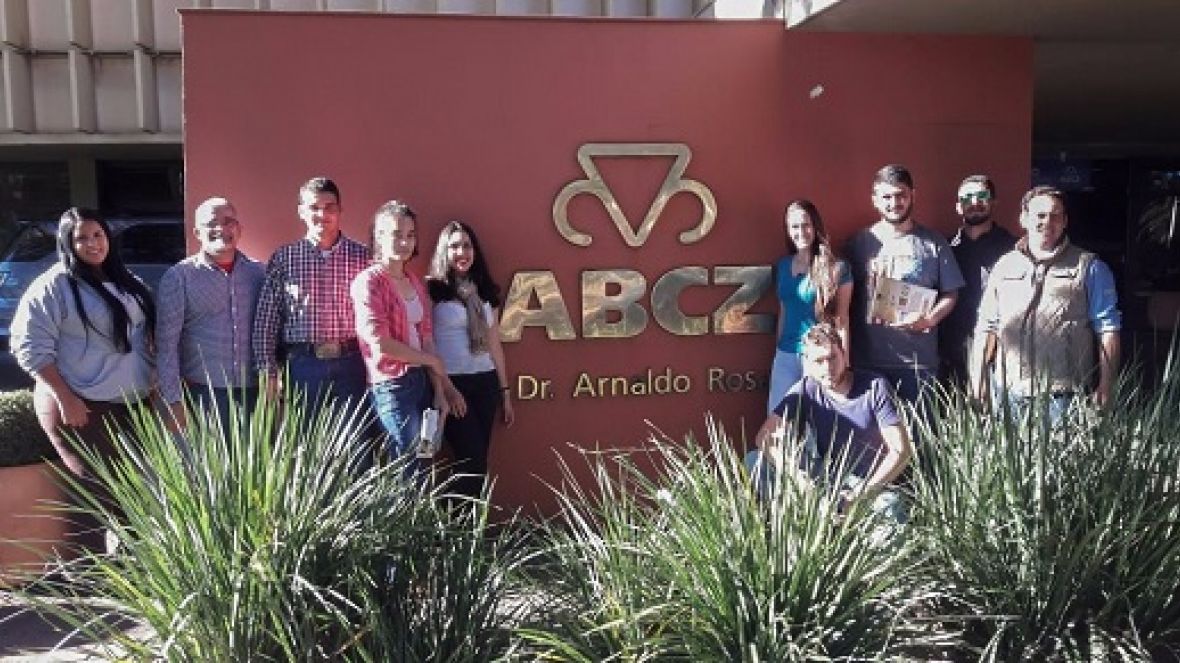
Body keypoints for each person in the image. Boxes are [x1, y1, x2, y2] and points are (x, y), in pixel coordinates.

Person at [10, 207, 156, 554]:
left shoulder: (126, 281)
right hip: (80, 406)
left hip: (129, 405)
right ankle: (85, 576)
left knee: (132, 494)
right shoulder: (55, 286)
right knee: (95, 496)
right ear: (67, 243)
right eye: (81, 238)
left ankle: (128, 571)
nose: (92, 244)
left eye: (98, 235)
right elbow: (28, 345)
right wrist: (65, 397)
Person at [973, 185, 1122, 419]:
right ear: (1024, 219)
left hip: (1064, 396)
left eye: (1055, 215)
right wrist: (979, 380)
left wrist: (1106, 386)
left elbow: (1108, 330)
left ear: (1065, 221)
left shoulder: (1090, 267)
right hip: (1008, 392)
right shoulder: (1004, 267)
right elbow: (987, 327)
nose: (1047, 222)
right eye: (1040, 215)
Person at [751, 322, 913, 522]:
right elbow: (764, 437)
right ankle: (777, 526)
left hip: (872, 481)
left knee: (891, 508)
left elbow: (901, 451)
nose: (828, 367)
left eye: (832, 357)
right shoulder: (807, 388)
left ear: (844, 355)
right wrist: (798, 477)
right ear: (807, 363)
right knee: (755, 460)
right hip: (829, 476)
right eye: (819, 361)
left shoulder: (875, 387)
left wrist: (862, 495)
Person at [845, 164, 965, 404]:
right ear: (875, 200)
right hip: (868, 364)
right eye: (887, 197)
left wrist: (929, 320)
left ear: (913, 195)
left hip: (918, 365)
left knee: (919, 429)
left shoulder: (934, 243)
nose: (894, 203)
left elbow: (951, 293)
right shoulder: (859, 243)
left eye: (901, 195)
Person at [351, 201, 456, 474]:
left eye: (410, 235)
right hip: (392, 387)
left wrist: (440, 390)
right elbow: (380, 343)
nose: (405, 243)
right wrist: (431, 361)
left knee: (423, 463)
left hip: (421, 382)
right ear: (379, 236)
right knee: (406, 469)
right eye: (396, 234)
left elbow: (426, 338)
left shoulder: (415, 282)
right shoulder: (368, 282)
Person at [252, 177, 371, 415]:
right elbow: (266, 321)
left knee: (353, 436)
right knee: (307, 436)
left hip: (352, 363)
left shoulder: (363, 257)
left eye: (329, 207)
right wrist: (268, 372)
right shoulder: (285, 258)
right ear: (301, 212)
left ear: (340, 210)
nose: (322, 215)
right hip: (304, 365)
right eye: (314, 208)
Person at [155, 197, 265, 431]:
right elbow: (166, 345)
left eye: (228, 222)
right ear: (197, 232)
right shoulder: (179, 277)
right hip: (203, 395)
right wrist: (173, 400)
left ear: (239, 229)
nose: (221, 229)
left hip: (255, 393)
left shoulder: (259, 273)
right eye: (212, 224)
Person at [426, 220, 515, 500]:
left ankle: (465, 524)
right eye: (454, 246)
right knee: (471, 460)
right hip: (455, 384)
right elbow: (428, 344)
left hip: (485, 383)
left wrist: (505, 392)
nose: (461, 252)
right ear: (444, 251)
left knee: (477, 463)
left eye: (467, 245)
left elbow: (494, 345)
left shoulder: (485, 292)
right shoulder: (433, 291)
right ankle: (447, 520)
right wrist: (445, 389)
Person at [768, 199, 852, 413]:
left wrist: (843, 363)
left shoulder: (837, 268)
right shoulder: (783, 266)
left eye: (806, 225)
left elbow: (842, 319)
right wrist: (778, 349)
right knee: (778, 418)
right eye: (794, 227)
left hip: (820, 355)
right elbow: (784, 311)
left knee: (816, 420)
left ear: (815, 227)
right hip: (786, 354)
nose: (801, 232)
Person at [939, 175, 1015, 388]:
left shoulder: (1013, 249)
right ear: (958, 207)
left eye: (982, 196)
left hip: (999, 351)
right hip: (951, 353)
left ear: (994, 202)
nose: (974, 202)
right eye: (967, 198)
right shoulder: (945, 248)